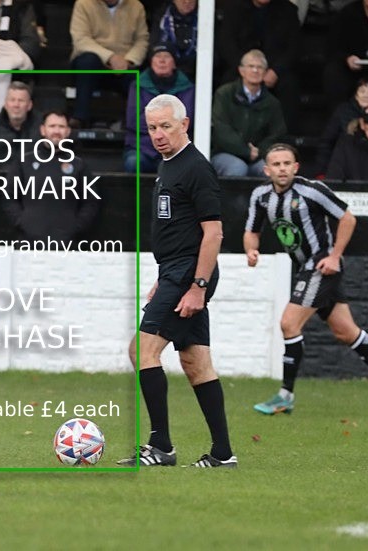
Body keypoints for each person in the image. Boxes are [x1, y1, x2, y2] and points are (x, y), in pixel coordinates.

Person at [245, 144, 368, 417]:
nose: (282, 168)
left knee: (289, 323)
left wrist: (335, 256)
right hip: (303, 268)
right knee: (346, 331)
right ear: (267, 170)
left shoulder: (312, 190)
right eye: (276, 164)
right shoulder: (261, 196)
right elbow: (251, 230)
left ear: (296, 167)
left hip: (321, 267)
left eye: (287, 163)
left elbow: (347, 218)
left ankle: (285, 396)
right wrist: (250, 250)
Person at [118, 94, 236, 468]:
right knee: (196, 361)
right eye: (152, 128)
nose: (158, 135)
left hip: (189, 275)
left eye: (165, 126)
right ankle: (222, 454)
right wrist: (162, 277)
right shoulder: (168, 165)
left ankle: (161, 447)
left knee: (142, 351)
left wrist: (197, 287)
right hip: (175, 272)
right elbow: (179, 231)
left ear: (184, 124)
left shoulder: (195, 168)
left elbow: (213, 233)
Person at [5, 112, 99, 244]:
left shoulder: (78, 165)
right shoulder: (24, 161)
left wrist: (74, 227)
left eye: (61, 127)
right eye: (52, 126)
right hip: (28, 243)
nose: (56, 131)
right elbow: (9, 197)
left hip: (66, 244)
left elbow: (90, 202)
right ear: (43, 130)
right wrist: (23, 223)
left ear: (67, 131)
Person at [217, 0, 300, 128]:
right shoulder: (234, 8)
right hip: (241, 68)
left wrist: (275, 71)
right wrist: (246, 69)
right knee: (227, 83)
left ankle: (283, 138)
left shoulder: (288, 10)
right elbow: (226, 44)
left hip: (273, 70)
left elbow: (294, 48)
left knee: (290, 85)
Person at [69, 0, 150, 128]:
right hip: (94, 63)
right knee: (87, 62)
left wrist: (129, 60)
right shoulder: (83, 4)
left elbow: (142, 40)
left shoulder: (136, 6)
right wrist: (110, 57)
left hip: (125, 65)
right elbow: (81, 40)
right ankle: (80, 117)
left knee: (141, 76)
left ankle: (133, 124)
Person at [211, 49, 287, 178]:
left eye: (260, 67)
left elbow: (277, 134)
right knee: (238, 168)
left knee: (271, 171)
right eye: (251, 66)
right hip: (224, 154)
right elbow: (221, 129)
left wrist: (259, 152)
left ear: (265, 72)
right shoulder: (224, 94)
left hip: (258, 156)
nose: (255, 70)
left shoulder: (272, 102)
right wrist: (245, 151)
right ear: (241, 70)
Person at [124, 44, 195, 174]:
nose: (162, 60)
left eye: (166, 56)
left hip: (175, 148)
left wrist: (154, 122)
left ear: (174, 63)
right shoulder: (138, 85)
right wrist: (168, 123)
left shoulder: (187, 87)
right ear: (151, 62)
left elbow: (184, 120)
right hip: (142, 148)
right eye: (157, 56)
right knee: (133, 162)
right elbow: (134, 121)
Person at [313, 77, 368, 176]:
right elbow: (326, 142)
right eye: (362, 91)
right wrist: (322, 172)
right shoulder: (343, 111)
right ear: (356, 95)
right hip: (347, 164)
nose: (366, 95)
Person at [148, 0, 197, 79]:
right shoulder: (161, 16)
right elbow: (154, 48)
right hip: (166, 71)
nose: (187, 1)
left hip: (197, 71)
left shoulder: (207, 16)